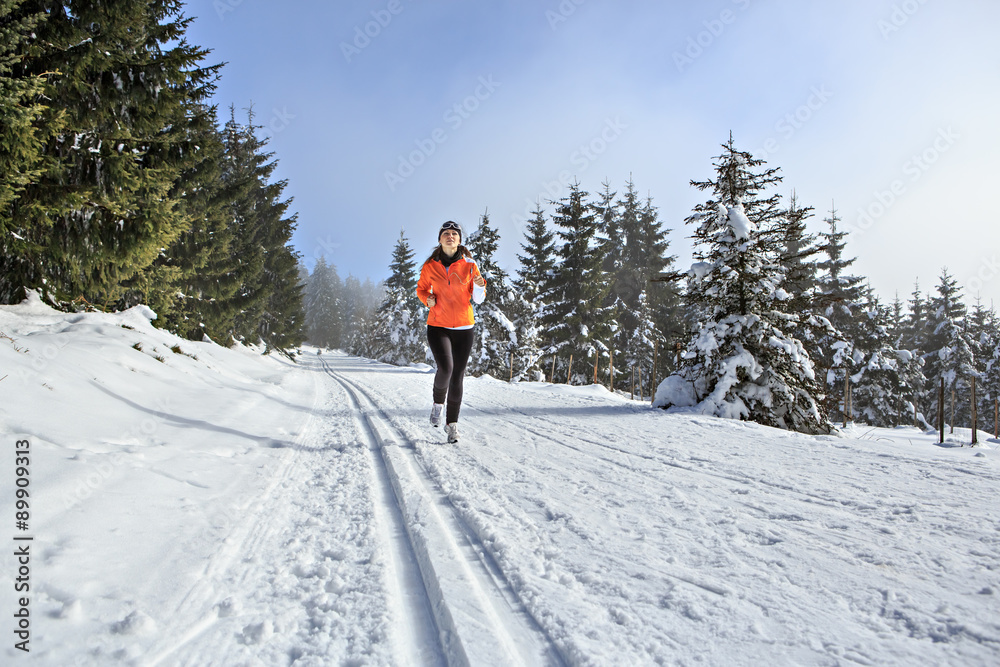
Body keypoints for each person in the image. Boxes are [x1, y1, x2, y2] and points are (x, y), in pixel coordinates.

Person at [416, 221, 487, 443]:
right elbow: (421, 289)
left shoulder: (469, 265)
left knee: (457, 377)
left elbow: (478, 299)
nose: (450, 236)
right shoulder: (430, 265)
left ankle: (452, 425)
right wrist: (426, 299)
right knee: (446, 368)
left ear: (459, 239)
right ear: (440, 239)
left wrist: (480, 285)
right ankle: (438, 404)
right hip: (438, 325)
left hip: (465, 328)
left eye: (454, 234)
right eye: (446, 233)